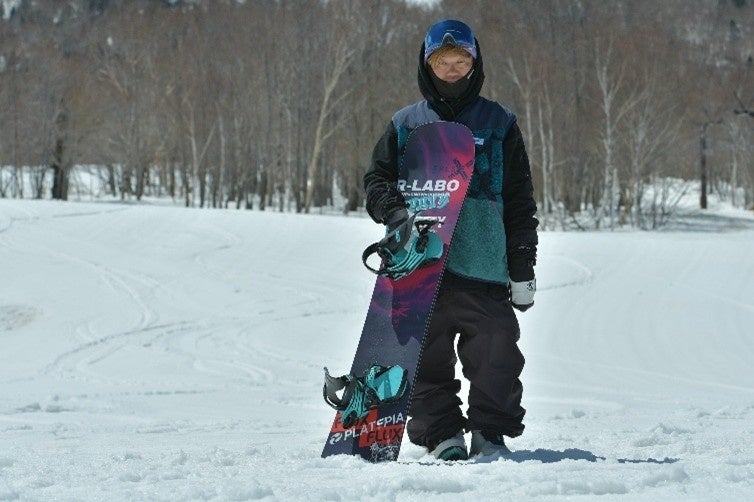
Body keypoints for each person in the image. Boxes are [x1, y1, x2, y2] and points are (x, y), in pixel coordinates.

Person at [363, 19, 539, 461]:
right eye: (443, 62)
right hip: (420, 266)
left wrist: (522, 266)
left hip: (485, 265)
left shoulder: (500, 123)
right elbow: (376, 181)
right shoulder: (405, 124)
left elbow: (520, 201)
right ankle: (442, 434)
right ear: (428, 65)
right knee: (423, 357)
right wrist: (396, 214)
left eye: (461, 60)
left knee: (497, 352)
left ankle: (489, 434)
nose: (453, 70)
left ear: (474, 63)